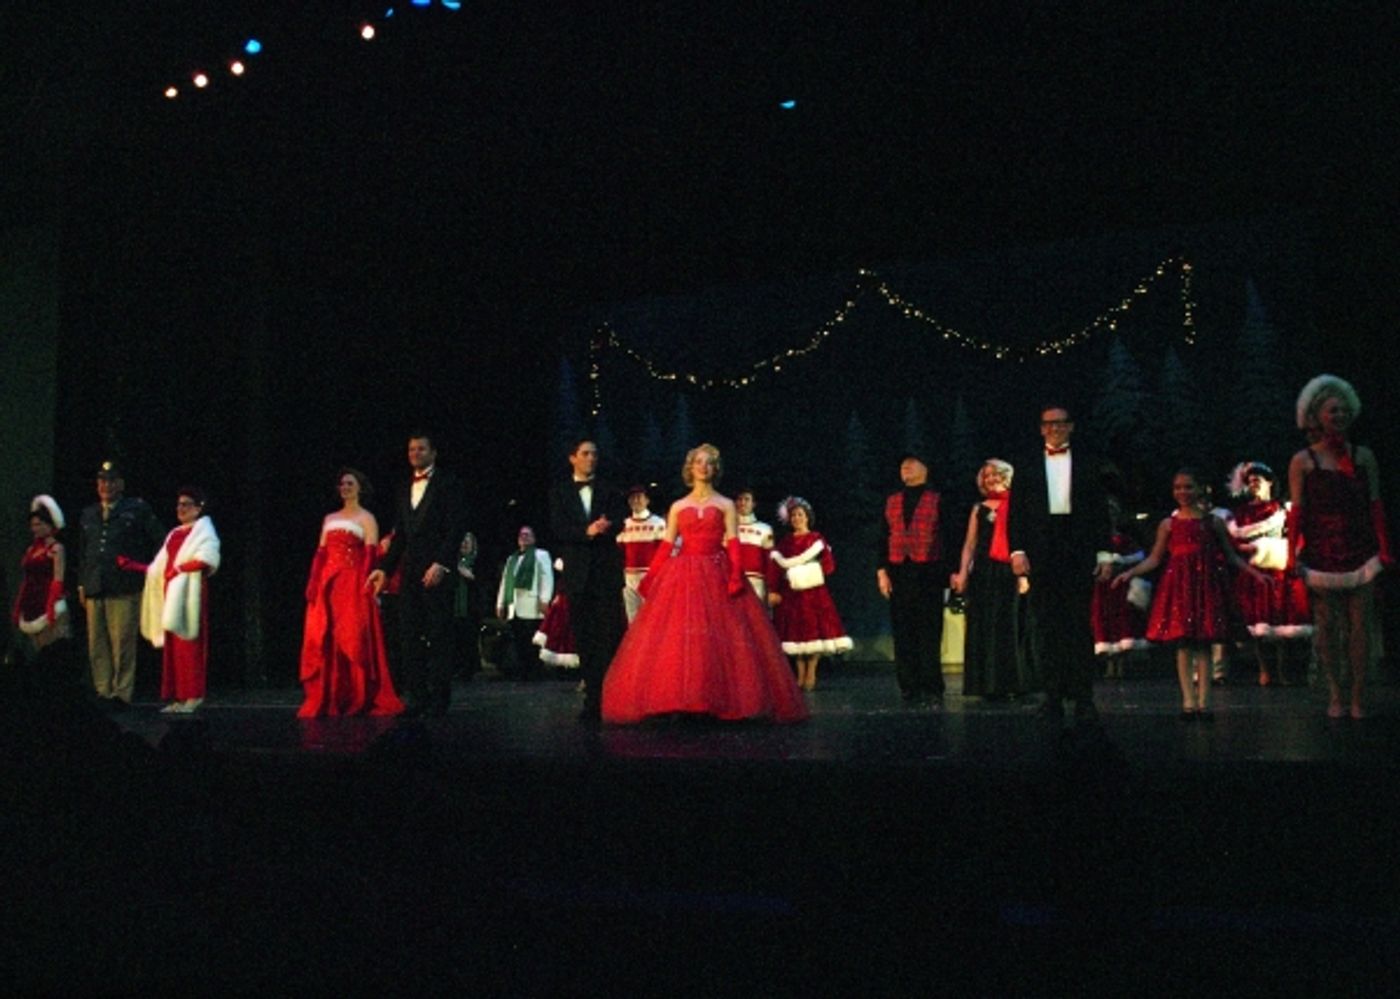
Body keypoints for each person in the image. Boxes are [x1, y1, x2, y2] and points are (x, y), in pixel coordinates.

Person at [602, 444, 807, 723]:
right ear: (690, 468)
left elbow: (733, 543)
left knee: (720, 638)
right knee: (680, 637)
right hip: (683, 572)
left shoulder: (725, 504)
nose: (703, 466)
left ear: (715, 469)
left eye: (709, 462)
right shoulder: (678, 506)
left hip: (716, 569)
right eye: (698, 462)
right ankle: (679, 700)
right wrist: (651, 577)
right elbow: (666, 545)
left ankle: (717, 700)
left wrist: (736, 575)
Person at [1113, 469, 1260, 719]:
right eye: (1178, 487)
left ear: (1200, 488)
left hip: (1204, 584)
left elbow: (1231, 556)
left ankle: (1205, 702)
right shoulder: (1169, 525)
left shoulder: (1213, 522)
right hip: (1180, 586)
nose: (1182, 492)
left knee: (1203, 643)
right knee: (1183, 645)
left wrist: (1256, 574)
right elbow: (1155, 558)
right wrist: (1129, 573)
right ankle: (1188, 702)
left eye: (1188, 487)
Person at [1288, 375, 1390, 719]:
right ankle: (1335, 690)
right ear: (1317, 416)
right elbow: (1298, 512)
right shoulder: (1303, 461)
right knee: (1327, 626)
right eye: (1334, 410)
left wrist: (1384, 547)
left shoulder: (1364, 456)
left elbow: (1376, 504)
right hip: (1321, 552)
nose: (1340, 415)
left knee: (1360, 625)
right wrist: (1291, 555)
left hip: (1359, 548)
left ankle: (1358, 694)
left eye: (1345, 410)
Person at [1006, 404, 1113, 724]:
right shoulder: (1026, 466)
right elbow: (1018, 513)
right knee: (1047, 627)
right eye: (1049, 424)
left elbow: (1099, 512)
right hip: (1042, 550)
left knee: (1078, 626)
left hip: (1077, 549)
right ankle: (1052, 696)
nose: (1055, 429)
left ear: (1071, 427)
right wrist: (1017, 551)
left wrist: (1105, 553)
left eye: (1061, 423)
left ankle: (1083, 697)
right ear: (1041, 429)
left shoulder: (1089, 464)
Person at [368, 433, 469, 718]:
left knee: (439, 635)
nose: (415, 453)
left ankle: (439, 699)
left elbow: (455, 528)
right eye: (411, 448)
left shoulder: (449, 484)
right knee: (408, 635)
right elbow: (400, 535)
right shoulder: (403, 487)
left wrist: (442, 564)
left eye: (421, 448)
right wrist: (384, 569)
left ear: (433, 453)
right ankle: (416, 697)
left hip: (438, 570)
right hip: (411, 571)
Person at [298, 468, 403, 717]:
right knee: (326, 637)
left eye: (350, 483)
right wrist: (314, 584)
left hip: (353, 583)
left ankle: (357, 695)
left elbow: (369, 556)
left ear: (360, 487)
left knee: (352, 635)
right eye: (342, 484)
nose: (345, 487)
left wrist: (367, 587)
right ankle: (331, 696)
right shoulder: (329, 518)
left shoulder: (367, 518)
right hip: (328, 584)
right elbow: (320, 554)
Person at [548, 439, 626, 722]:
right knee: (585, 640)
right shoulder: (559, 492)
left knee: (609, 638)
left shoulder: (609, 489)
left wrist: (608, 525)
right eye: (585, 454)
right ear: (572, 458)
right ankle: (592, 699)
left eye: (594, 453)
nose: (591, 458)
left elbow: (621, 518)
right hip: (578, 576)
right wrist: (587, 531)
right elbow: (558, 527)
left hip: (605, 574)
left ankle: (611, 697)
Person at [78, 460, 166, 710]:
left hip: (124, 586)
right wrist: (82, 585)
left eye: (111, 481)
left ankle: (121, 693)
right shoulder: (88, 513)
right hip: (96, 584)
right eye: (102, 481)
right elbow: (84, 552)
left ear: (121, 484)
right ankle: (102, 691)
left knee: (122, 643)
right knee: (97, 644)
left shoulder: (135, 509)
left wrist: (148, 571)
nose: (106, 486)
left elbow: (160, 539)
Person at [1224, 461, 1312, 685]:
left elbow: (1298, 537)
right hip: (1255, 572)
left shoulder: (1282, 510)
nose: (1253, 483)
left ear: (1270, 482)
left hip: (1282, 571)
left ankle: (1285, 671)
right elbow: (1232, 542)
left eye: (1258, 479)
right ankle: (1265, 670)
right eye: (1250, 480)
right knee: (1259, 626)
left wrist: (1293, 554)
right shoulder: (1240, 514)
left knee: (1284, 625)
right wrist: (1249, 549)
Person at [950, 459, 1029, 699]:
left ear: (1006, 475)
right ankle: (987, 684)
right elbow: (970, 544)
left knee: (1009, 625)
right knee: (983, 625)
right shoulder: (979, 508)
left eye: (995, 474)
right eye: (986, 475)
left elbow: (1026, 541)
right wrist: (963, 572)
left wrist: (1025, 576)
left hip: (1010, 570)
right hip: (984, 571)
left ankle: (1013, 683)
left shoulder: (1019, 504)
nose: (991, 479)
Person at [138, 488, 221, 714]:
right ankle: (177, 696)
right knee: (173, 648)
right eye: (179, 505)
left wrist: (179, 569)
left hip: (190, 594)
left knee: (190, 646)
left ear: (198, 507)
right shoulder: (174, 533)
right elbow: (159, 564)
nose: (181, 509)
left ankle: (193, 695)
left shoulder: (204, 530)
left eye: (186, 504)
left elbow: (207, 558)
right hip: (171, 594)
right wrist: (144, 569)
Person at [876, 453, 948, 706]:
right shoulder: (892, 500)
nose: (905, 467)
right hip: (899, 571)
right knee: (903, 631)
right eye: (902, 464)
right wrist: (881, 571)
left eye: (911, 463)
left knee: (929, 631)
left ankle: (932, 686)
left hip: (928, 571)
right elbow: (882, 536)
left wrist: (948, 574)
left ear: (925, 468)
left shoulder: (937, 498)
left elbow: (947, 536)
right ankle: (909, 686)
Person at [767, 496, 853, 691]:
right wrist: (773, 590)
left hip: (814, 593)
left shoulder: (816, 540)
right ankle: (800, 672)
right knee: (796, 633)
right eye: (794, 515)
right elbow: (774, 569)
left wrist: (814, 570)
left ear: (807, 517)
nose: (797, 518)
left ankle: (812, 670)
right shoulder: (785, 544)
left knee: (814, 632)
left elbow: (829, 564)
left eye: (800, 514)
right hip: (792, 593)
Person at [7, 496, 74, 696]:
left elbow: (58, 579)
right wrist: (19, 606)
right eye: (33, 525)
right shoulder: (30, 550)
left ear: (49, 524)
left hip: (48, 606)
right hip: (32, 606)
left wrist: (51, 606)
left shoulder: (56, 549)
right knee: (36, 651)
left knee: (52, 651)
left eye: (39, 524)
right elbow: (26, 580)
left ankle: (58, 692)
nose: (35, 528)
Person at [1091, 496, 1150, 679]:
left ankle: (1121, 664)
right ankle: (1108, 663)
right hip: (1101, 586)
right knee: (1102, 618)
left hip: (1118, 586)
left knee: (1121, 619)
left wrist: (1120, 562)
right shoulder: (1096, 538)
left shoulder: (1124, 539)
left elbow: (1137, 556)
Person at [495, 525, 554, 679]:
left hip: (532, 605)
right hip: (514, 605)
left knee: (533, 641)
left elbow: (547, 578)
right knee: (519, 639)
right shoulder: (512, 558)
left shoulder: (541, 555)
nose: (524, 537)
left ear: (534, 538)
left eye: (528, 534)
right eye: (521, 534)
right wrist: (500, 603)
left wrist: (544, 599)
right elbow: (505, 582)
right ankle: (524, 671)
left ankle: (535, 672)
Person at [616, 485, 667, 623]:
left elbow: (665, 552)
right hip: (629, 578)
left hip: (650, 577)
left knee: (652, 618)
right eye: (632, 497)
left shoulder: (658, 524)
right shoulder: (624, 525)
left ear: (647, 500)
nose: (636, 500)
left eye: (640, 497)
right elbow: (619, 552)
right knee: (632, 620)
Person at [735, 487, 775, 603]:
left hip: (757, 582)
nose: (743, 503)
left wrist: (772, 589)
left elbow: (770, 562)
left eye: (747, 499)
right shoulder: (726, 528)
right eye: (740, 499)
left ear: (753, 504)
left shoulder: (765, 529)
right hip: (731, 582)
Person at [453, 531, 484, 679]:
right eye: (462, 541)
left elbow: (482, 582)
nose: (464, 544)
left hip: (472, 607)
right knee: (457, 638)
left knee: (470, 638)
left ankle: (470, 669)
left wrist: (469, 575)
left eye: (468, 541)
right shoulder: (453, 561)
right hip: (456, 607)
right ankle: (459, 667)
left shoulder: (477, 561)